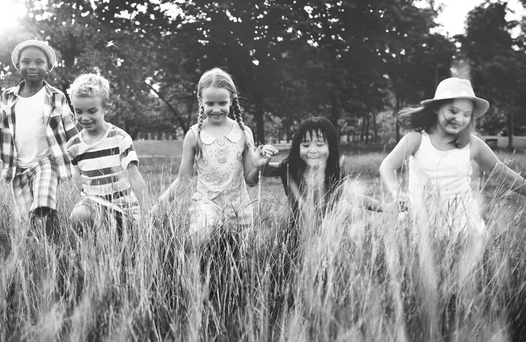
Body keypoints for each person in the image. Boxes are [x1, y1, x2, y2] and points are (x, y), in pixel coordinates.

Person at [379, 77, 526, 279]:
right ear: (437, 109)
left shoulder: (473, 145)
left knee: (463, 282)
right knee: (423, 279)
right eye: (453, 111)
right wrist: (397, 191)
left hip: (464, 227)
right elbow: (387, 166)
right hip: (421, 224)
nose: (460, 118)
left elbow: (503, 174)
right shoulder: (417, 138)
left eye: (467, 114)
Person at [0, 39, 78, 238]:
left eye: (39, 62)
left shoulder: (57, 97)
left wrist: (86, 157)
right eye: (26, 61)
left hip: (47, 162)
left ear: (49, 67)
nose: (32, 66)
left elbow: (71, 131)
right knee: (27, 221)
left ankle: (52, 245)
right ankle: (42, 245)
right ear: (18, 66)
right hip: (18, 168)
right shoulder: (7, 97)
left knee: (43, 205)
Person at [153, 67, 278, 239]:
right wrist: (159, 206)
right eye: (210, 104)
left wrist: (257, 166)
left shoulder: (243, 132)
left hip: (238, 208)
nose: (216, 109)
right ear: (200, 100)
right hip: (207, 205)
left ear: (232, 100)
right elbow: (184, 179)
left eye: (222, 103)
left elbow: (250, 180)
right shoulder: (194, 135)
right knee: (200, 238)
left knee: (239, 261)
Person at [263, 116, 399, 222]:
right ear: (298, 147)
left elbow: (355, 197)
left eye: (320, 144)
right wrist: (262, 157)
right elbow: (263, 170)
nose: (312, 150)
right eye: (305, 144)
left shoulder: (334, 175)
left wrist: (386, 207)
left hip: (326, 242)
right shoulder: (291, 168)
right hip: (293, 242)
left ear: (330, 147)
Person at [66, 73, 149, 238]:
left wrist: (146, 211)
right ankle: (89, 252)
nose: (85, 117)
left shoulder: (119, 138)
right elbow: (78, 179)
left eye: (92, 111)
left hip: (122, 207)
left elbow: (133, 176)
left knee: (125, 243)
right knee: (79, 215)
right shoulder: (74, 146)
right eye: (78, 111)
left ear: (106, 108)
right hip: (93, 204)